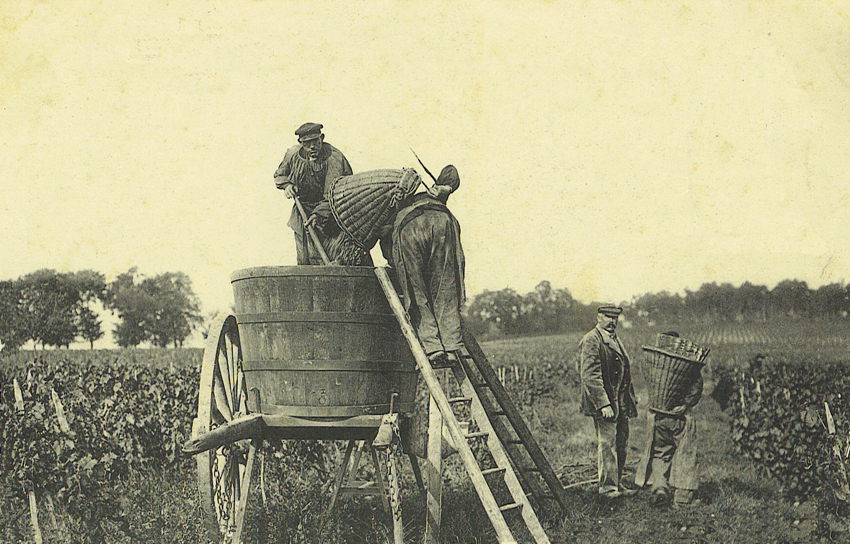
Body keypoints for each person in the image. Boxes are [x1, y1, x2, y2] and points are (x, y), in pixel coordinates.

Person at [379, 165, 465, 369]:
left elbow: (385, 238)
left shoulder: (397, 204)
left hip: (409, 226)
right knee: (446, 287)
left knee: (415, 289)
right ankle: (452, 348)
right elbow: (452, 171)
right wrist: (447, 189)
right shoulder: (439, 195)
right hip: (443, 221)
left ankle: (433, 348)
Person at [274, 123, 367, 265]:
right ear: (300, 143)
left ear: (321, 138)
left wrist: (318, 215)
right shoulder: (293, 154)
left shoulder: (334, 158)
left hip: (332, 212)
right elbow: (280, 175)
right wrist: (287, 186)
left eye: (315, 142)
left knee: (335, 254)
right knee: (304, 257)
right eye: (307, 143)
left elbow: (332, 194)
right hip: (302, 211)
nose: (312, 147)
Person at [635, 331, 704, 508]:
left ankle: (659, 489)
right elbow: (696, 390)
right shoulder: (686, 365)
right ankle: (682, 499)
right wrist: (686, 404)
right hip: (678, 418)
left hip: (658, 416)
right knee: (685, 455)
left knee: (660, 454)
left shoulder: (653, 361)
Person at [578, 304, 638, 498]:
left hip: (619, 401)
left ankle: (617, 483)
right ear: (598, 318)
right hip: (605, 403)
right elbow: (590, 376)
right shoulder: (592, 340)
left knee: (621, 442)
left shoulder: (614, 339)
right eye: (608, 317)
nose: (612, 322)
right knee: (607, 444)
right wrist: (603, 403)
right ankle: (608, 488)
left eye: (615, 318)